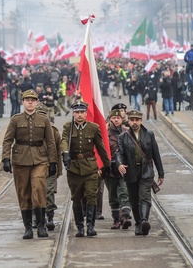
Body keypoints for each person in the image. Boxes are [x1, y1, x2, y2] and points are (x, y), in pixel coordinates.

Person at [1, 89, 57, 240]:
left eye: (33, 99)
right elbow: (7, 140)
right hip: (20, 161)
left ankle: (41, 225)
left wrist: (53, 162)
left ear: (37, 102)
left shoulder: (44, 119)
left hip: (40, 159)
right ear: (23, 102)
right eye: (27, 100)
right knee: (23, 193)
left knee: (38, 189)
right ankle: (28, 228)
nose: (30, 102)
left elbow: (51, 142)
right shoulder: (15, 120)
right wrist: (5, 158)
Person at [60, 101, 111, 237]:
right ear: (73, 113)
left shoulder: (93, 128)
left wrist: (107, 165)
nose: (79, 115)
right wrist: (65, 153)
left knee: (91, 196)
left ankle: (90, 226)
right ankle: (80, 227)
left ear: (86, 113)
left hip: (90, 168)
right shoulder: (68, 127)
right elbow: (64, 140)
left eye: (82, 112)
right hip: (74, 168)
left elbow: (101, 147)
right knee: (76, 198)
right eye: (77, 112)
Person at [117, 110, 164, 236]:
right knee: (134, 199)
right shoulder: (123, 137)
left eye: (137, 120)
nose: (134, 123)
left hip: (146, 172)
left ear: (141, 121)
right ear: (128, 121)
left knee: (144, 197)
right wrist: (119, 164)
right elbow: (119, 153)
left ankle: (144, 221)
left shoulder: (149, 134)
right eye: (132, 120)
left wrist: (161, 173)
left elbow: (156, 154)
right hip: (131, 172)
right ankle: (138, 223)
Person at [35, 103, 63, 231]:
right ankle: (37, 217)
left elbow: (58, 152)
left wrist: (58, 169)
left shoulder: (54, 131)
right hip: (34, 166)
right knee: (35, 192)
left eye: (43, 115)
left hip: (49, 167)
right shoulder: (30, 131)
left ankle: (49, 216)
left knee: (49, 192)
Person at [106, 109, 132, 230]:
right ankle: (116, 219)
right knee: (112, 195)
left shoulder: (128, 133)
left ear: (122, 120)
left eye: (118, 118)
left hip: (123, 168)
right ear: (110, 119)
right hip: (110, 169)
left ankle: (125, 216)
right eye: (114, 118)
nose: (116, 120)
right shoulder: (105, 134)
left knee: (124, 191)